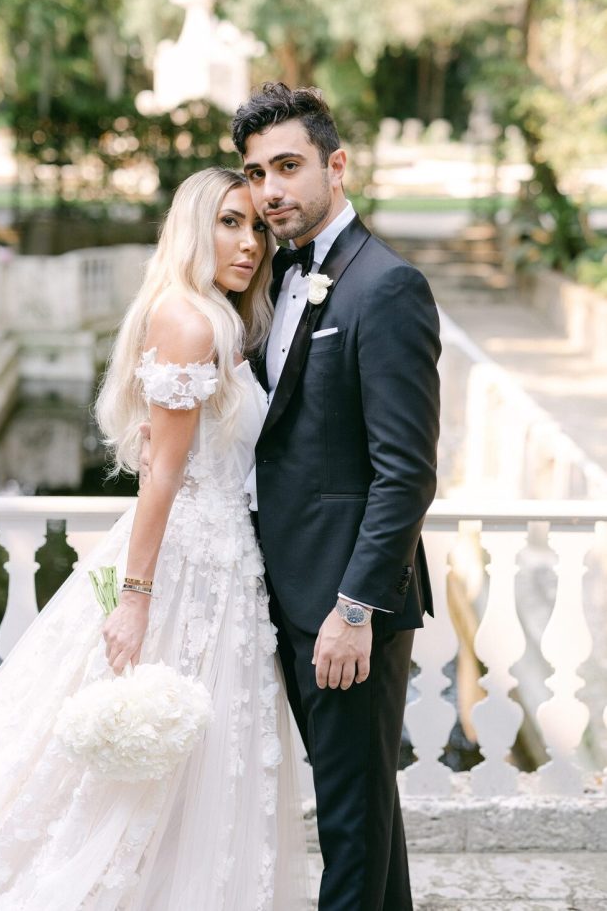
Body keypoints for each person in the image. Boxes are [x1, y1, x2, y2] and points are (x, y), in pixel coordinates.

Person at [0, 167, 308, 911]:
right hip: (188, 564)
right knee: (151, 753)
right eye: (229, 222)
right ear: (194, 227)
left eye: (257, 227)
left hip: (226, 560)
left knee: (201, 760)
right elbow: (161, 474)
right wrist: (135, 598)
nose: (250, 243)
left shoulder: (216, 317)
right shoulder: (191, 322)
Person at [233, 83, 441, 911]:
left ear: (336, 164)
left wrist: (352, 608)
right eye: (256, 173)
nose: (269, 190)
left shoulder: (384, 286)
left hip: (347, 607)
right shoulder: (276, 276)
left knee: (349, 826)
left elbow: (406, 471)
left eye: (288, 166)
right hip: (289, 592)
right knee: (363, 810)